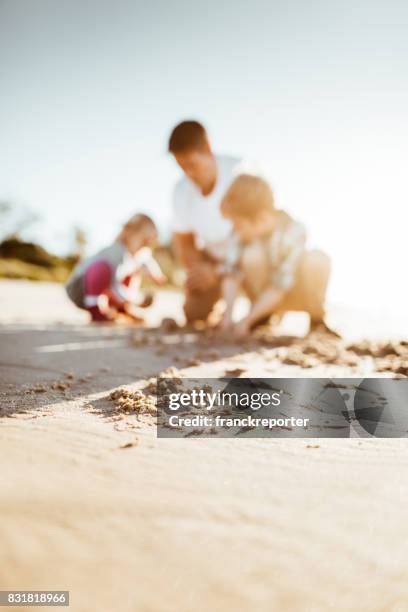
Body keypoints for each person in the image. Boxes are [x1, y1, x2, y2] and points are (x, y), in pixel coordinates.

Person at [219, 174, 332, 337]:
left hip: (291, 293)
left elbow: (280, 285)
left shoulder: (294, 231)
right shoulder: (240, 233)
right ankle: (262, 316)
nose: (235, 229)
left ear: (261, 218)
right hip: (262, 297)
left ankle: (316, 321)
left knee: (317, 259)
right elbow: (231, 272)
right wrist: (227, 316)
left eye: (238, 224)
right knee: (252, 253)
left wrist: (246, 320)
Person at [169, 120, 252, 324]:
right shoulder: (181, 191)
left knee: (255, 257)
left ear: (208, 150)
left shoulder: (240, 172)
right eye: (181, 167)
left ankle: (261, 309)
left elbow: (257, 233)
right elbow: (184, 242)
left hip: (247, 256)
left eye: (192, 165)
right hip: (211, 259)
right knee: (193, 313)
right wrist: (200, 270)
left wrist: (219, 271)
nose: (188, 174)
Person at [65, 213, 165, 322]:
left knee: (134, 269)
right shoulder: (117, 252)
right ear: (129, 232)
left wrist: (157, 275)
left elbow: (147, 260)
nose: (146, 247)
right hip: (79, 288)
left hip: (108, 287)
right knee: (101, 268)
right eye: (144, 241)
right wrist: (135, 300)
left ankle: (123, 309)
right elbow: (114, 284)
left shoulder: (136, 255)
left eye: (150, 243)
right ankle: (95, 309)